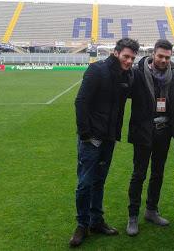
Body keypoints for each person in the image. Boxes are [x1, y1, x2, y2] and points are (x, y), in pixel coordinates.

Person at [69, 38, 139, 247]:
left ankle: (96, 221)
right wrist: (85, 134)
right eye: (126, 56)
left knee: (99, 182)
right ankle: (82, 225)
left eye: (132, 58)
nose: (128, 61)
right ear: (116, 53)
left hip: (109, 139)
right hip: (91, 139)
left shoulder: (128, 75)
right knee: (84, 184)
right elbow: (81, 101)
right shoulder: (97, 70)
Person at [126, 39, 174, 236]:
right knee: (139, 174)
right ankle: (132, 215)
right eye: (160, 56)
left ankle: (151, 210)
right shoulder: (138, 73)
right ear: (153, 54)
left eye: (167, 57)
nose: (164, 60)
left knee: (158, 173)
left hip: (163, 131)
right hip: (143, 131)